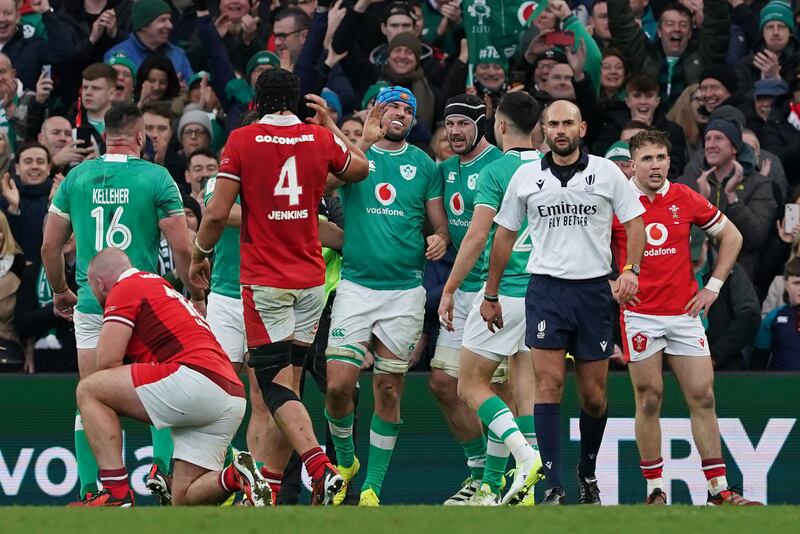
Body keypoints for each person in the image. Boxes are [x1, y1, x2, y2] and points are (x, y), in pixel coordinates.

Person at [190, 68, 370, 506]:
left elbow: (215, 215)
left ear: (256, 102)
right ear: (297, 101)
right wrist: (328, 126)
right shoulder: (317, 138)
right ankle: (269, 485)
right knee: (288, 386)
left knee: (272, 388)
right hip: (310, 282)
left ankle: (318, 466)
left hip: (265, 283)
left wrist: (198, 254)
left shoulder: (243, 140)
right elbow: (361, 169)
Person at [481, 100, 646, 505]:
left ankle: (586, 473)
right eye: (552, 124)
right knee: (548, 385)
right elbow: (502, 235)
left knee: (593, 396)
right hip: (547, 290)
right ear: (542, 130)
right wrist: (491, 292)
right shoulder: (525, 176)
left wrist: (631, 270)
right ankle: (552, 484)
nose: (560, 130)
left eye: (567, 123)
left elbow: (635, 221)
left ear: (582, 127)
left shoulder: (605, 171)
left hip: (593, 292)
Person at [41, 103, 203, 505]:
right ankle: (161, 468)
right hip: (143, 303)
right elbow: (182, 244)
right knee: (159, 392)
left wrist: (61, 289)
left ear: (105, 136)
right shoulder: (156, 177)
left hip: (93, 305)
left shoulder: (76, 177)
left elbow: (49, 245)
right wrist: (191, 290)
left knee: (92, 394)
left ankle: (95, 489)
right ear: (140, 137)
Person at [611, 129, 761, 505]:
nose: (656, 165)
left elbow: (733, 237)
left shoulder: (683, 197)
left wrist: (712, 286)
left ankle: (718, 490)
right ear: (632, 164)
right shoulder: (615, 202)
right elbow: (591, 251)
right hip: (640, 315)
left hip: (683, 314)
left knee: (704, 397)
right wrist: (612, 282)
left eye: (661, 157)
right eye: (647, 159)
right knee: (649, 399)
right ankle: (656, 490)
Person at [323, 85, 447, 506]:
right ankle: (345, 460)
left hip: (404, 292)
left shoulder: (425, 165)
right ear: (375, 111)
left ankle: (372, 486)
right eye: (391, 106)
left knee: (389, 390)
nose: (400, 113)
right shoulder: (356, 160)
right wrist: (363, 140)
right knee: (338, 385)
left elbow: (438, 226)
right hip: (356, 286)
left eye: (407, 109)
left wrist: (440, 240)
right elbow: (321, 185)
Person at [72, 248, 269, 507]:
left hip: (194, 379)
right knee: (184, 499)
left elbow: (107, 362)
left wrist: (117, 407)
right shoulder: (159, 284)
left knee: (89, 390)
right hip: (230, 392)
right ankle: (236, 475)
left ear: (98, 282)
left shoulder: (124, 288)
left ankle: (116, 491)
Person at [439, 91, 545, 506]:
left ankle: (525, 457)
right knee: (522, 390)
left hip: (505, 294)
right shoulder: (552, 168)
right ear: (537, 127)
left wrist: (449, 288)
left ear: (498, 125)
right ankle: (516, 490)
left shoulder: (497, 171)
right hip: (544, 296)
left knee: (470, 385)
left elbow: (478, 235)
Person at [428, 94, 503, 505]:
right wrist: (440, 236)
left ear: (481, 124)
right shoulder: (443, 171)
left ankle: (496, 480)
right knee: (442, 383)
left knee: (497, 387)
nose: (454, 132)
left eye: (462, 124)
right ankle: (478, 473)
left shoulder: (502, 165)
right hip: (462, 290)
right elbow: (441, 222)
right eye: (448, 124)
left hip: (501, 289)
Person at [104, 0, 194, 82]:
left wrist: (184, 92)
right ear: (143, 25)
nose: (170, 26)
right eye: (163, 20)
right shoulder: (116, 56)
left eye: (169, 20)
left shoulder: (177, 54)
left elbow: (191, 87)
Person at [753, 257, 800, 370]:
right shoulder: (773, 317)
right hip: (780, 385)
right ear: (786, 284)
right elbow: (759, 362)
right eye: (797, 283)